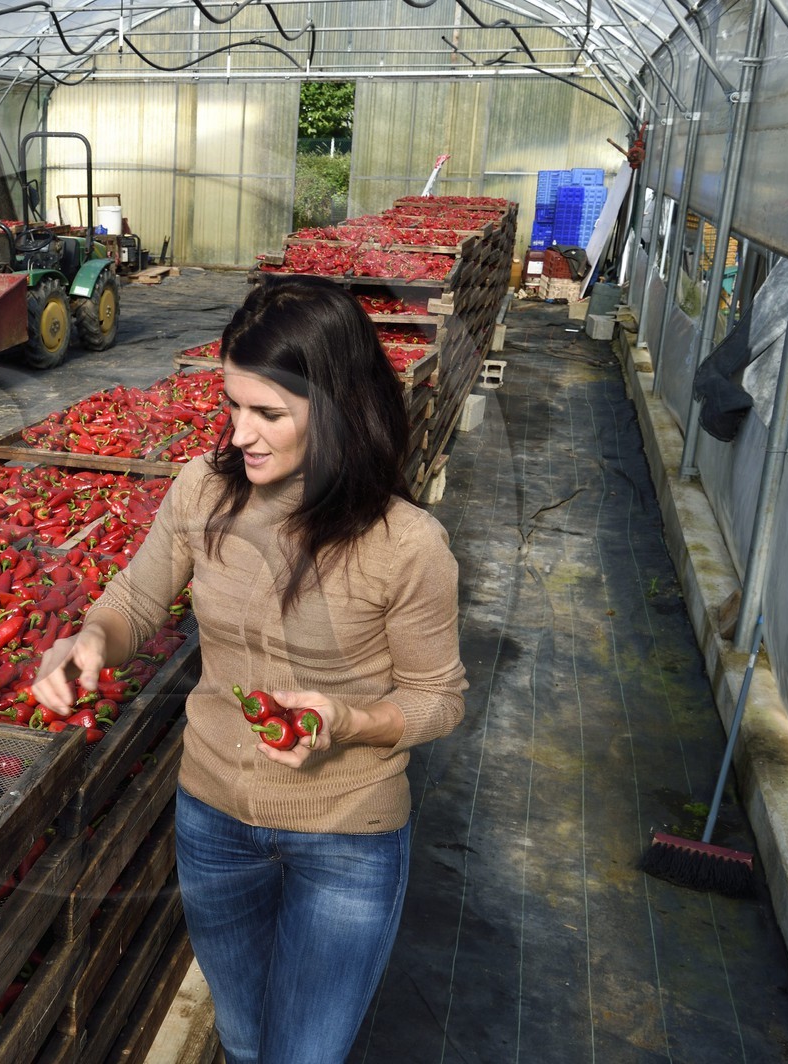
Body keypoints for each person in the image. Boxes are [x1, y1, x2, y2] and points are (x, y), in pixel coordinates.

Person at [32, 274, 467, 1064]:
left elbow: (439, 701)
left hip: (346, 837)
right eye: (232, 406)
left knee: (302, 1055)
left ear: (335, 409)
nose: (239, 434)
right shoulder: (203, 491)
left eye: (268, 413)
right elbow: (134, 598)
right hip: (214, 822)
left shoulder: (406, 545)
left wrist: (347, 721)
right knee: (242, 1038)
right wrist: (91, 642)